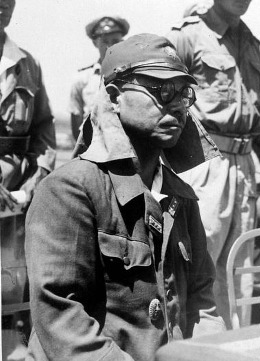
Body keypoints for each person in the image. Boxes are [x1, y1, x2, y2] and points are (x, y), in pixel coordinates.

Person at [25, 34, 225, 361]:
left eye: (183, 92)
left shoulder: (182, 197)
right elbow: (61, 317)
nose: (177, 104)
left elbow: (203, 301)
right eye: (162, 90)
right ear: (115, 97)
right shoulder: (70, 190)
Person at [167, 0, 260, 328]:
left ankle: (233, 347)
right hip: (205, 160)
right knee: (198, 259)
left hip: (243, 163)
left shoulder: (249, 39)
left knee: (239, 266)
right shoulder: (189, 36)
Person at [0, 0, 55, 357]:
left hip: (13, 199)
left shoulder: (26, 63)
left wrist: (34, 183)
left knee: (10, 289)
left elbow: (44, 128)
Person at [69, 16, 129, 140]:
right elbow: (76, 123)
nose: (110, 46)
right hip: (90, 147)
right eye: (105, 41)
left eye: (115, 41)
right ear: (95, 42)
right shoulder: (82, 79)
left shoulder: (132, 77)